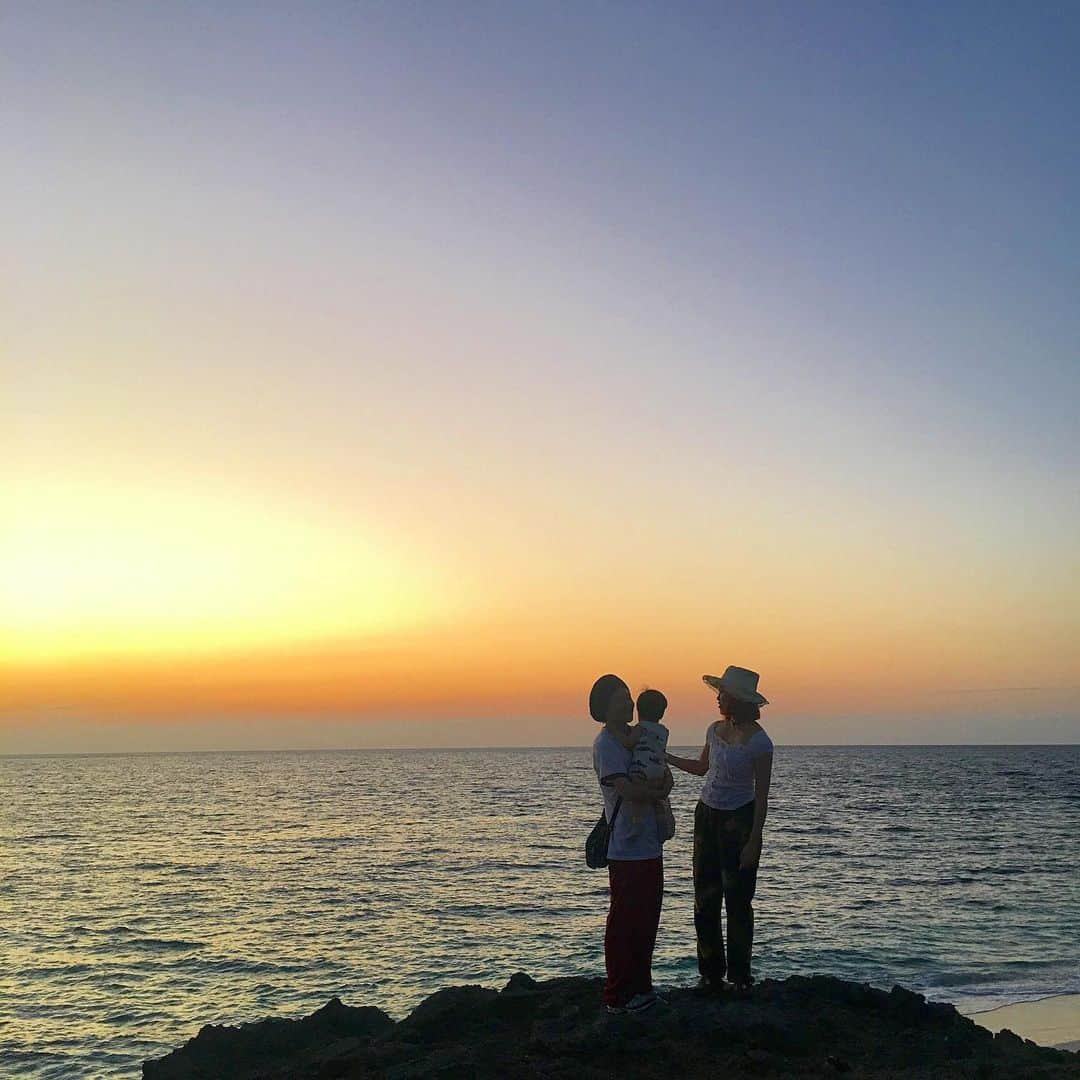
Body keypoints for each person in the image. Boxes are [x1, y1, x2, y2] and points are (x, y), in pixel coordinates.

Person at [666, 665, 774, 993]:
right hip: (706, 815)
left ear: (738, 700)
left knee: (738, 901)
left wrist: (754, 840)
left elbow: (762, 796)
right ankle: (710, 974)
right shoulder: (714, 729)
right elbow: (701, 768)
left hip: (739, 820)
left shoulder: (760, 742)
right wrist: (665, 757)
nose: (717, 699)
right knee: (705, 897)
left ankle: (740, 977)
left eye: (723, 695)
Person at [590, 674, 673, 1013]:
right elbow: (625, 788)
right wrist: (658, 792)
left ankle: (642, 988)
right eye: (621, 698)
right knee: (624, 920)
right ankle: (618, 994)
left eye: (628, 697)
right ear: (604, 706)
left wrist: (664, 782)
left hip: (649, 841)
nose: (628, 703)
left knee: (647, 918)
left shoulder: (639, 737)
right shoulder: (606, 744)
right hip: (625, 847)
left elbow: (660, 767)